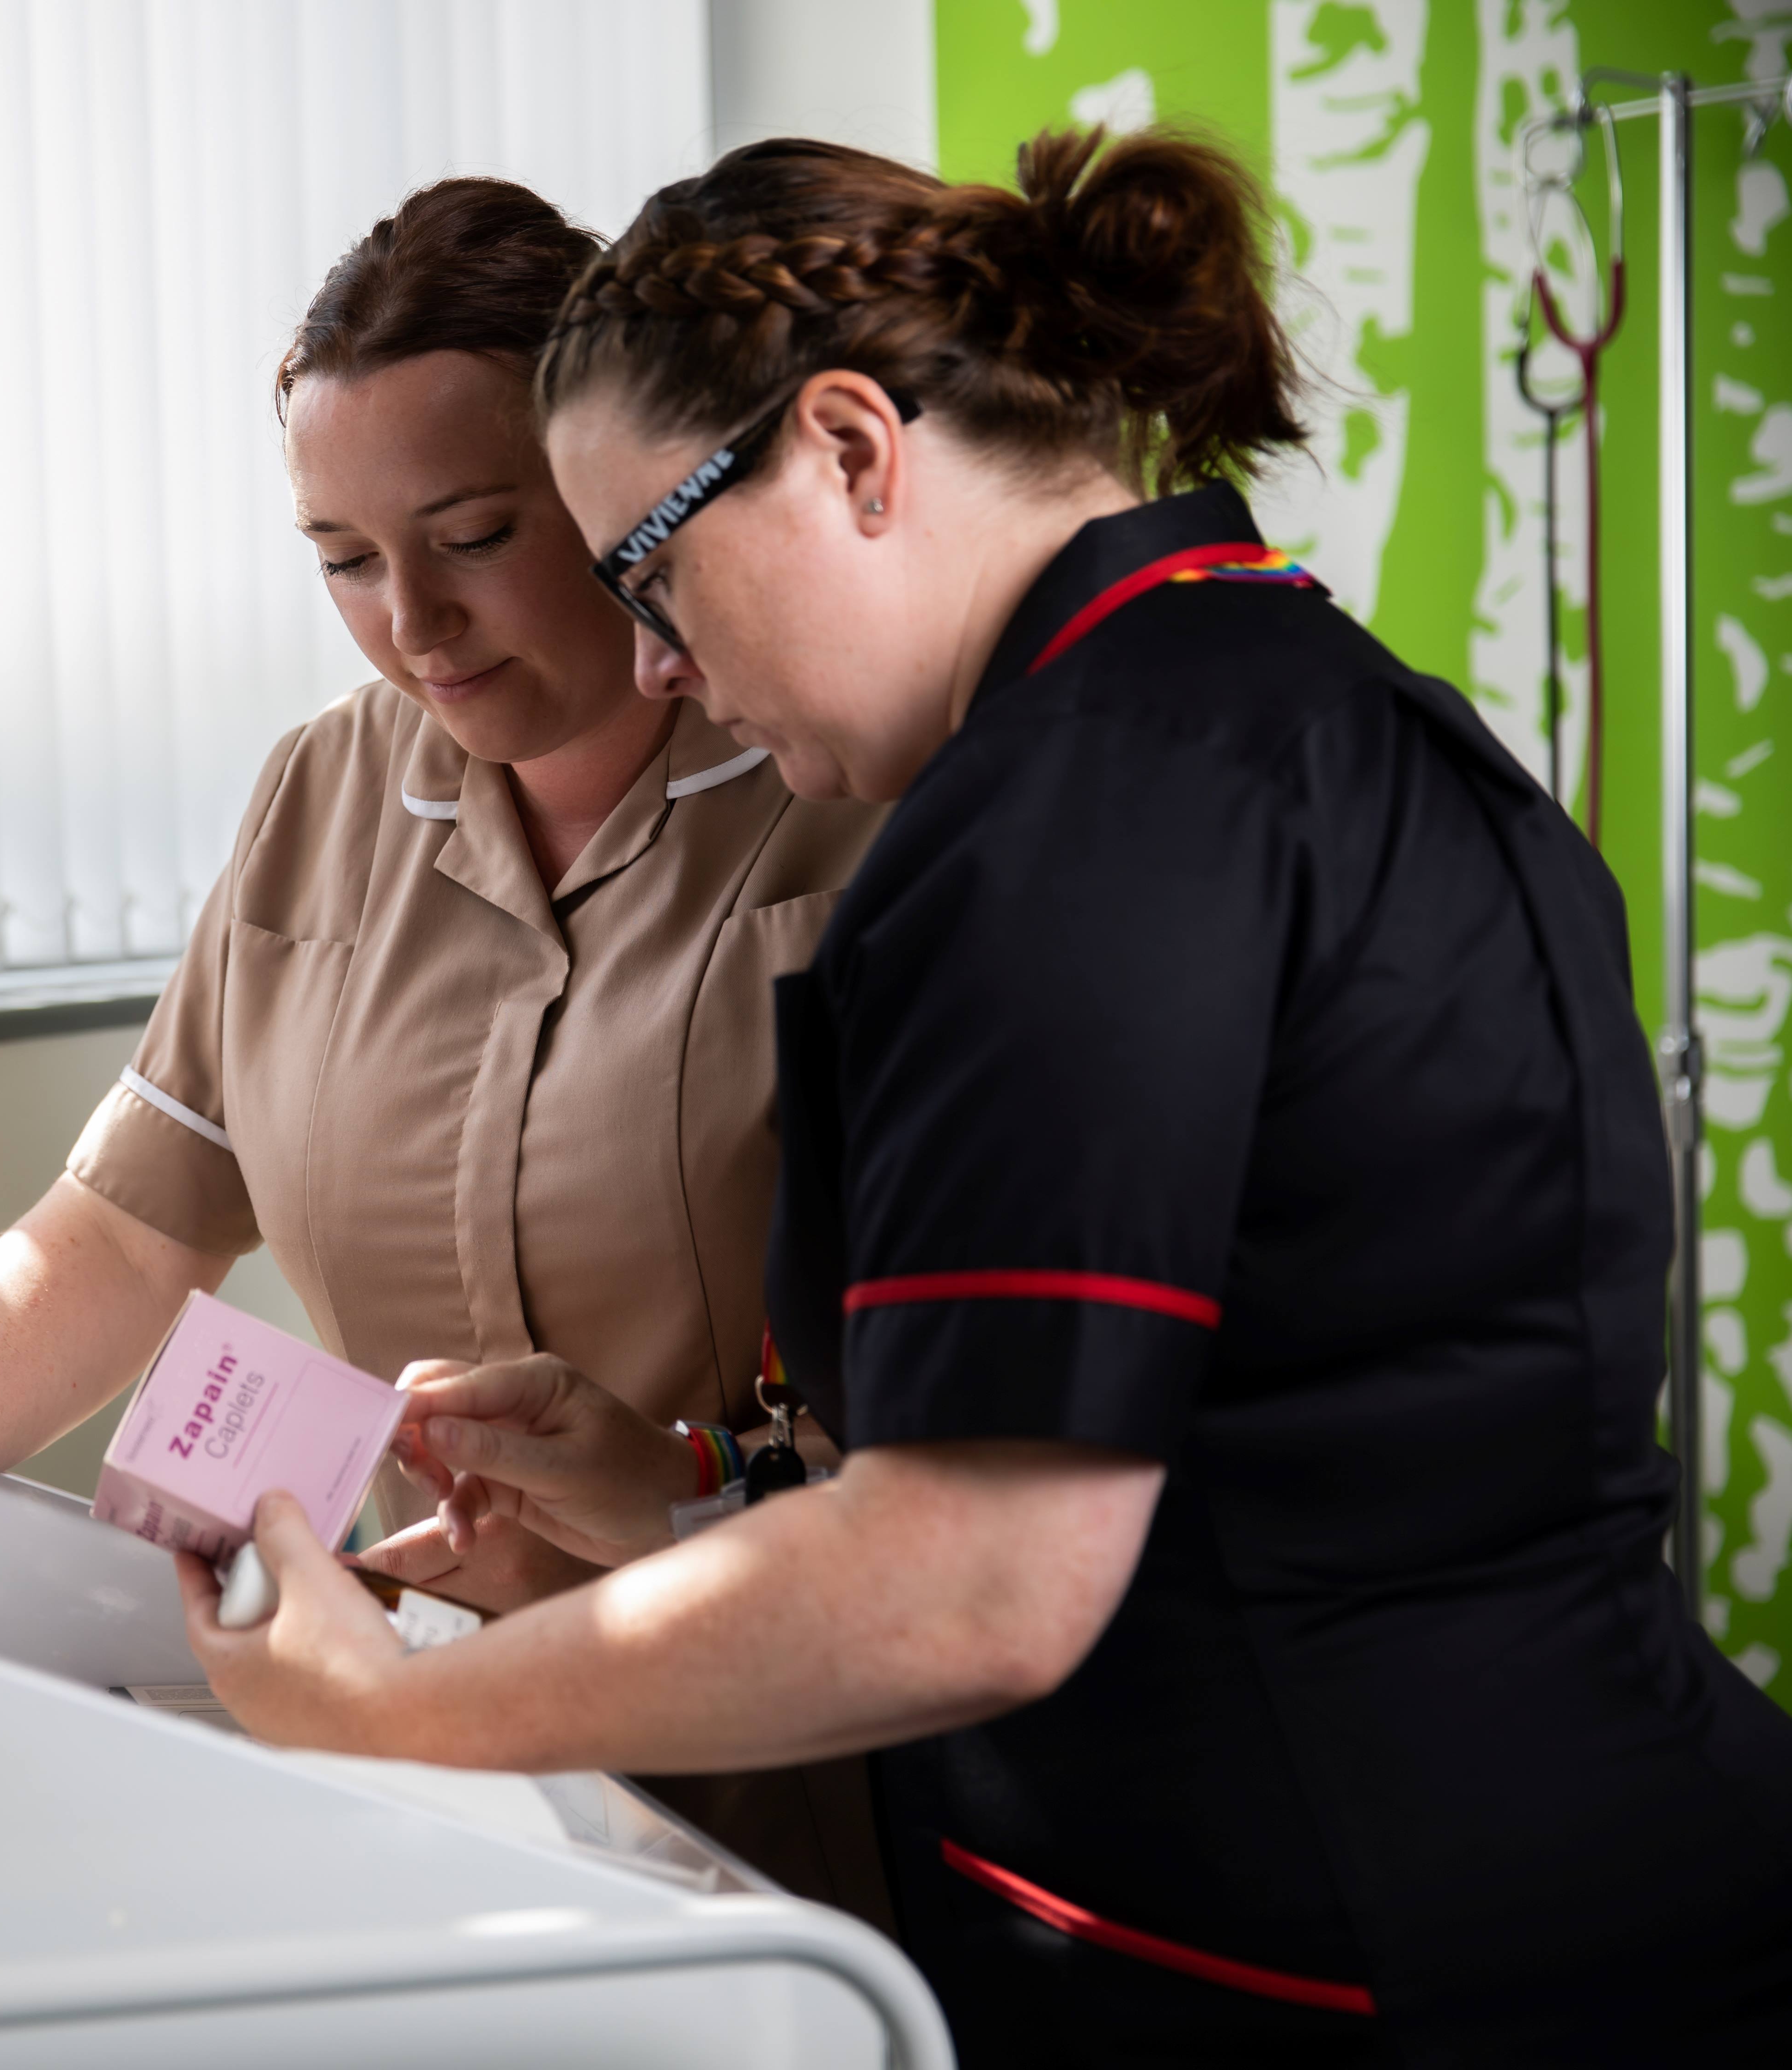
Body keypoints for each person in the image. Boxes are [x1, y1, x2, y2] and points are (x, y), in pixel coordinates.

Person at [178, 128, 1792, 2064]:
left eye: (659, 571)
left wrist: (389, 1710)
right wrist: (683, 1497)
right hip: (1563, 1876)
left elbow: (977, 1588)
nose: (661, 665)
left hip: (1338, 1956)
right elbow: (1259, 1429)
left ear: (853, 451)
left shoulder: (1066, 826)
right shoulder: (1318, 712)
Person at [0, 180, 889, 1909]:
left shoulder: (848, 788)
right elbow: (137, 1217)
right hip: (412, 1747)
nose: (411, 622)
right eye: (344, 562)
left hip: (797, 1743)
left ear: (620, 493)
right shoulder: (330, 789)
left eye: (472, 536)